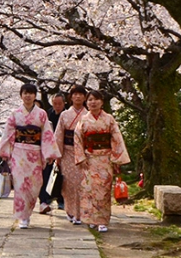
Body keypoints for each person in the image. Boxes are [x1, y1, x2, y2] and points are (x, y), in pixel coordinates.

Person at [0, 83, 61, 229]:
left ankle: (28, 212)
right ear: (21, 95)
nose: (28, 96)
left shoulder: (41, 114)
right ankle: (22, 217)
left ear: (35, 95)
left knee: (34, 185)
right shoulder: (14, 114)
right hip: (19, 152)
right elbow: (8, 134)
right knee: (20, 185)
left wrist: (49, 153)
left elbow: (46, 134)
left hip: (35, 152)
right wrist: (5, 153)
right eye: (25, 93)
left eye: (31, 93)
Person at [74, 90, 130, 233]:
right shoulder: (83, 120)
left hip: (105, 158)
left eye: (96, 99)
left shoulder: (109, 119)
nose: (93, 102)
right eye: (90, 100)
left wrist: (116, 159)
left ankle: (103, 220)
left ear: (102, 102)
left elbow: (116, 138)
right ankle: (91, 219)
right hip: (89, 158)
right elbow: (78, 140)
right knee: (88, 189)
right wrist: (80, 158)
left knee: (103, 190)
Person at [54, 85, 88, 225]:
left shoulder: (88, 115)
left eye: (81, 94)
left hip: (84, 153)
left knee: (82, 183)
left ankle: (80, 213)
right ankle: (70, 211)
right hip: (67, 152)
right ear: (71, 97)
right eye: (75, 94)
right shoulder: (64, 115)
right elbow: (59, 136)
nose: (78, 97)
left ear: (84, 97)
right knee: (68, 183)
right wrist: (57, 156)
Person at [39, 93, 67, 213]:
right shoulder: (48, 114)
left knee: (62, 176)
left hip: (65, 148)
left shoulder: (67, 115)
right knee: (46, 174)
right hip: (49, 148)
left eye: (59, 103)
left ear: (64, 103)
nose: (57, 106)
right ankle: (44, 200)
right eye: (55, 103)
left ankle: (62, 200)